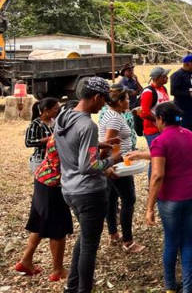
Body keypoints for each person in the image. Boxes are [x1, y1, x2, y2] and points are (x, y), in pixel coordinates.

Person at [129, 102, 192, 293]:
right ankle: (188, 288)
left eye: (156, 119)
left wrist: (149, 207)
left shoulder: (160, 140)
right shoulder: (187, 134)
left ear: (161, 119)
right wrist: (140, 154)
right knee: (187, 241)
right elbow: (170, 153)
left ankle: (170, 286)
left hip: (172, 198)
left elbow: (157, 175)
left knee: (171, 241)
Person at [55, 77, 121, 293]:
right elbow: (88, 165)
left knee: (85, 239)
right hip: (89, 192)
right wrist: (113, 160)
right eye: (103, 101)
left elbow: (71, 145)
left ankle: (72, 287)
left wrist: (96, 144)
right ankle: (84, 289)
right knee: (89, 248)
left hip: (69, 188)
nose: (104, 105)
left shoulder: (64, 116)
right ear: (96, 97)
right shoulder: (88, 125)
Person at [15, 98, 70, 282]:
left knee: (40, 221)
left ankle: (26, 260)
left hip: (43, 179)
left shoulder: (59, 130)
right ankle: (57, 270)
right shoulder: (63, 135)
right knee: (58, 227)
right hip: (52, 183)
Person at [98, 84, 144, 253]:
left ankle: (113, 234)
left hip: (116, 162)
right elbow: (107, 143)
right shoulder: (115, 118)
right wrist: (108, 163)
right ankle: (128, 241)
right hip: (118, 165)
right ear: (118, 101)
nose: (129, 101)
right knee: (128, 200)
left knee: (111, 199)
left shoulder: (113, 113)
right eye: (126, 98)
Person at [25, 97, 60, 173]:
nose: (57, 111)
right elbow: (28, 142)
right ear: (46, 109)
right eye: (55, 109)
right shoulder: (36, 124)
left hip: (54, 160)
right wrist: (49, 139)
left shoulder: (55, 122)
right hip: (40, 161)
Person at [139, 66, 171, 148]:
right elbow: (144, 113)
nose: (166, 78)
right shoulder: (148, 92)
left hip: (164, 129)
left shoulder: (163, 88)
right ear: (157, 78)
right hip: (153, 131)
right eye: (163, 76)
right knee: (156, 156)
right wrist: (159, 121)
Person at [170, 54, 192, 133]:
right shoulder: (177, 75)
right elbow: (173, 91)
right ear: (187, 64)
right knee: (181, 128)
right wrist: (189, 94)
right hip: (181, 110)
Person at [118, 63, 143, 136]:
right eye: (129, 70)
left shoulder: (133, 80)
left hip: (133, 105)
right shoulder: (123, 82)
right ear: (124, 72)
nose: (131, 72)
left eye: (132, 70)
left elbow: (141, 90)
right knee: (127, 125)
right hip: (126, 107)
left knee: (133, 125)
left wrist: (137, 80)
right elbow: (131, 93)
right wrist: (136, 91)